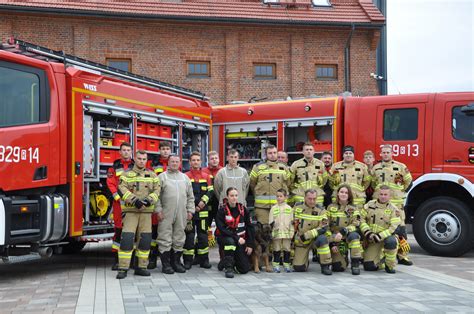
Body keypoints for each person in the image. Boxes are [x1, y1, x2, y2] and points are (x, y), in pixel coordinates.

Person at [116, 150, 160, 279]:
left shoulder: (152, 175)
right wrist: (135, 201)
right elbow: (121, 188)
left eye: (144, 159)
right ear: (134, 159)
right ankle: (123, 268)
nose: (142, 161)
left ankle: (141, 267)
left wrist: (148, 200)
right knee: (127, 240)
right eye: (139, 158)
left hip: (146, 213)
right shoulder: (125, 175)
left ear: (147, 160)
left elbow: (158, 190)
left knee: (145, 240)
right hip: (130, 212)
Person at [372, 144, 413, 266]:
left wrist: (399, 193)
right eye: (383, 152)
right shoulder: (376, 168)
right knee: (382, 229)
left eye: (387, 152)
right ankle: (384, 255)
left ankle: (403, 256)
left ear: (392, 153)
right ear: (380, 154)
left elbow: (409, 182)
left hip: (396, 205)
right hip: (380, 206)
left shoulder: (400, 167)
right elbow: (372, 184)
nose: (385, 154)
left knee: (401, 231)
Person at [156, 155, 195, 274]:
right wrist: (158, 210)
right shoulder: (162, 177)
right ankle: (166, 264)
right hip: (166, 213)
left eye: (176, 161)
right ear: (168, 162)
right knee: (164, 237)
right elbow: (156, 196)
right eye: (172, 161)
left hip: (181, 214)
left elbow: (190, 196)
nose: (174, 163)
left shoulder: (185, 178)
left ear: (180, 163)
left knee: (179, 237)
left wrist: (190, 210)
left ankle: (176, 262)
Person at [360, 185, 401, 274]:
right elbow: (361, 219)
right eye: (381, 194)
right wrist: (368, 233)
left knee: (391, 241)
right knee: (369, 267)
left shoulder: (394, 209)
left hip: (385, 238)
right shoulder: (369, 205)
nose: (383, 196)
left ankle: (389, 265)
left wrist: (379, 236)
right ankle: (381, 260)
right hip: (371, 238)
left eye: (385, 194)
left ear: (390, 196)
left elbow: (393, 228)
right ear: (378, 195)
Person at [184, 152, 214, 269]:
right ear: (190, 162)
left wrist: (202, 202)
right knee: (189, 236)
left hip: (203, 212)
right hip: (190, 212)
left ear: (201, 162)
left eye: (198, 160)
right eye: (193, 160)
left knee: (203, 236)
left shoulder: (206, 176)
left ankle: (204, 260)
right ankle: (187, 261)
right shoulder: (185, 176)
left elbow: (210, 191)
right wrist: (193, 206)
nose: (196, 162)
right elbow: (185, 193)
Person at [106, 142, 134, 271]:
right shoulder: (114, 167)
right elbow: (110, 183)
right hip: (119, 205)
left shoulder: (136, 166)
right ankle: (117, 261)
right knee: (118, 232)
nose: (126, 152)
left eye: (128, 150)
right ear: (120, 152)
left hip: (132, 204)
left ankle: (132, 261)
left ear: (131, 152)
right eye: (124, 150)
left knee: (133, 232)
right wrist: (117, 197)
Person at [215, 187, 255, 278]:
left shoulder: (243, 210)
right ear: (227, 197)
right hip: (225, 237)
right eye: (232, 195)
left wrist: (250, 244)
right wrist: (237, 238)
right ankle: (229, 268)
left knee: (244, 269)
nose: (234, 198)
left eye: (236, 195)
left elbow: (250, 227)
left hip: (240, 240)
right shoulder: (222, 211)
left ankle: (224, 261)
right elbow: (222, 229)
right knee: (230, 242)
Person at [293, 189, 332, 275]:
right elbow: (292, 223)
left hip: (315, 240)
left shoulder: (321, 211)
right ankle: (304, 261)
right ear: (304, 198)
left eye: (314, 199)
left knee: (322, 239)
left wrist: (307, 235)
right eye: (309, 198)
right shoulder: (297, 208)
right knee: (299, 268)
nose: (312, 201)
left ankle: (325, 265)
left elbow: (323, 228)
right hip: (301, 241)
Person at [147, 141, 172, 269]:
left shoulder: (174, 163)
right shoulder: (153, 163)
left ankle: (168, 260)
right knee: (154, 233)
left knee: (167, 233)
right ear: (159, 150)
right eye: (163, 149)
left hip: (169, 203)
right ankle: (152, 259)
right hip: (156, 201)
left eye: (167, 149)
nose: (165, 151)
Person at [250, 145, 291, 224]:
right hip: (262, 206)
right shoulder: (257, 167)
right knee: (263, 229)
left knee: (279, 228)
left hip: (279, 205)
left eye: (274, 152)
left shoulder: (284, 167)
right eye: (270, 153)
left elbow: (288, 183)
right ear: (266, 154)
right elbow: (252, 183)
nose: (272, 155)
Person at [326, 185, 362, 275]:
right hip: (335, 238)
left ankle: (355, 264)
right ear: (337, 193)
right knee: (338, 268)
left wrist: (344, 231)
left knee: (355, 236)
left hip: (347, 235)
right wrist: (331, 243)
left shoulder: (354, 208)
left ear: (349, 195)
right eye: (341, 192)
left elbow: (356, 224)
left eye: (346, 193)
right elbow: (326, 226)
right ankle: (343, 256)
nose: (343, 194)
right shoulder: (330, 207)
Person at [268, 189, 294, 273]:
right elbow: (270, 222)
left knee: (287, 249)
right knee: (276, 249)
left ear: (285, 197)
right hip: (277, 232)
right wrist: (271, 232)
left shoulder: (289, 208)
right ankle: (276, 265)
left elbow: (292, 222)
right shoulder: (273, 208)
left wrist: (291, 232)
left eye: (281, 196)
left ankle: (287, 264)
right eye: (277, 196)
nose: (279, 198)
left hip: (287, 232)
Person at [202, 150, 223, 246]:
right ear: (208, 160)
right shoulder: (203, 171)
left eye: (216, 158)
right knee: (206, 223)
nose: (214, 160)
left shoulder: (223, 171)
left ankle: (219, 241)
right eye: (212, 159)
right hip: (207, 202)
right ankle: (207, 240)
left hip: (219, 202)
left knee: (221, 223)